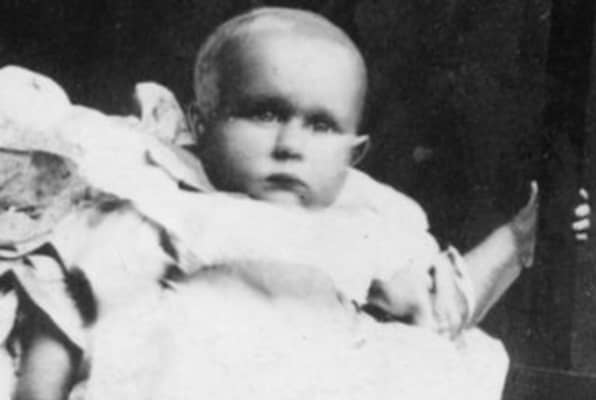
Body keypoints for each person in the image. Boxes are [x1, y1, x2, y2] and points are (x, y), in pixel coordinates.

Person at [0, 7, 584, 400]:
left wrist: (520, 237)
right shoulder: (157, 196)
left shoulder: (361, 222)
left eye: (321, 126)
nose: (289, 145)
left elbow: (440, 307)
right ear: (202, 122)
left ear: (354, 153)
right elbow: (67, 308)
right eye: (264, 113)